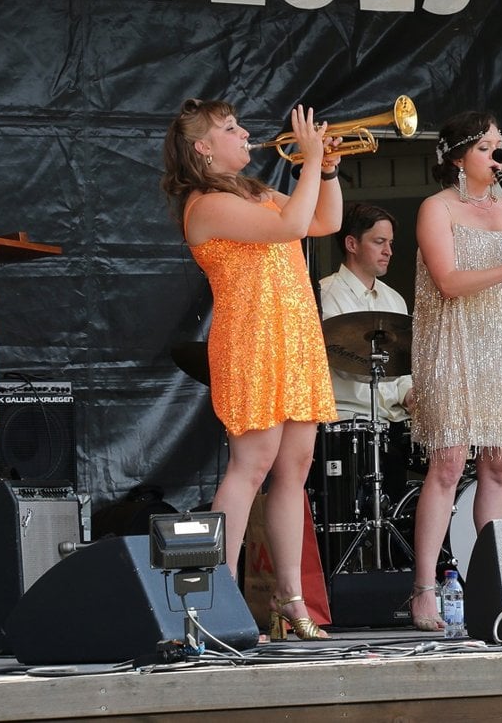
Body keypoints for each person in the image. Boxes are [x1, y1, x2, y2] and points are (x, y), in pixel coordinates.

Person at [161, 98, 342, 640]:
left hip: (294, 335)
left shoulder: (254, 191)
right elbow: (290, 225)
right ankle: (219, 602)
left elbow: (323, 220)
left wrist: (326, 167)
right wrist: (307, 159)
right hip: (251, 340)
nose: (244, 135)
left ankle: (290, 600)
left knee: (295, 468)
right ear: (203, 147)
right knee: (252, 464)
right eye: (230, 129)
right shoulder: (205, 205)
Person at [407, 110, 502, 631]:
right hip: (454, 346)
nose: (499, 156)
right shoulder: (436, 208)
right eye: (489, 147)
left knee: (498, 467)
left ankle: (492, 585)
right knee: (447, 464)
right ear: (458, 156)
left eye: (500, 145)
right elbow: (447, 281)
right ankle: (425, 587)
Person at [318, 203, 415, 501]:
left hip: (393, 427)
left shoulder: (394, 299)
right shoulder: (324, 295)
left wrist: (411, 394)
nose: (389, 251)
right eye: (379, 242)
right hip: (345, 426)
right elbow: (340, 364)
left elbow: (402, 366)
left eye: (390, 243)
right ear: (351, 244)